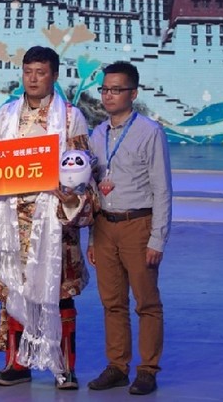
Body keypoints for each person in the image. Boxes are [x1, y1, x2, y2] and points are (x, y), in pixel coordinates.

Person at [0, 46, 96, 389]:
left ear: (54, 76)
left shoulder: (70, 117)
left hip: (52, 219)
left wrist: (70, 195)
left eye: (41, 72)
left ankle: (64, 367)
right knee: (15, 291)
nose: (33, 79)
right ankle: (18, 364)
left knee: (57, 293)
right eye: (28, 72)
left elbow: (81, 166)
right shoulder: (5, 115)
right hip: (11, 217)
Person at [86, 61, 172, 396]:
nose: (108, 96)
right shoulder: (97, 134)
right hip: (104, 225)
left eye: (116, 90)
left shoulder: (150, 132)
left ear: (133, 94)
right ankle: (117, 366)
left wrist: (158, 239)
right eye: (105, 89)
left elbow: (162, 188)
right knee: (112, 302)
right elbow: (94, 186)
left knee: (146, 302)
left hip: (138, 224)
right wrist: (91, 237)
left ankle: (148, 370)